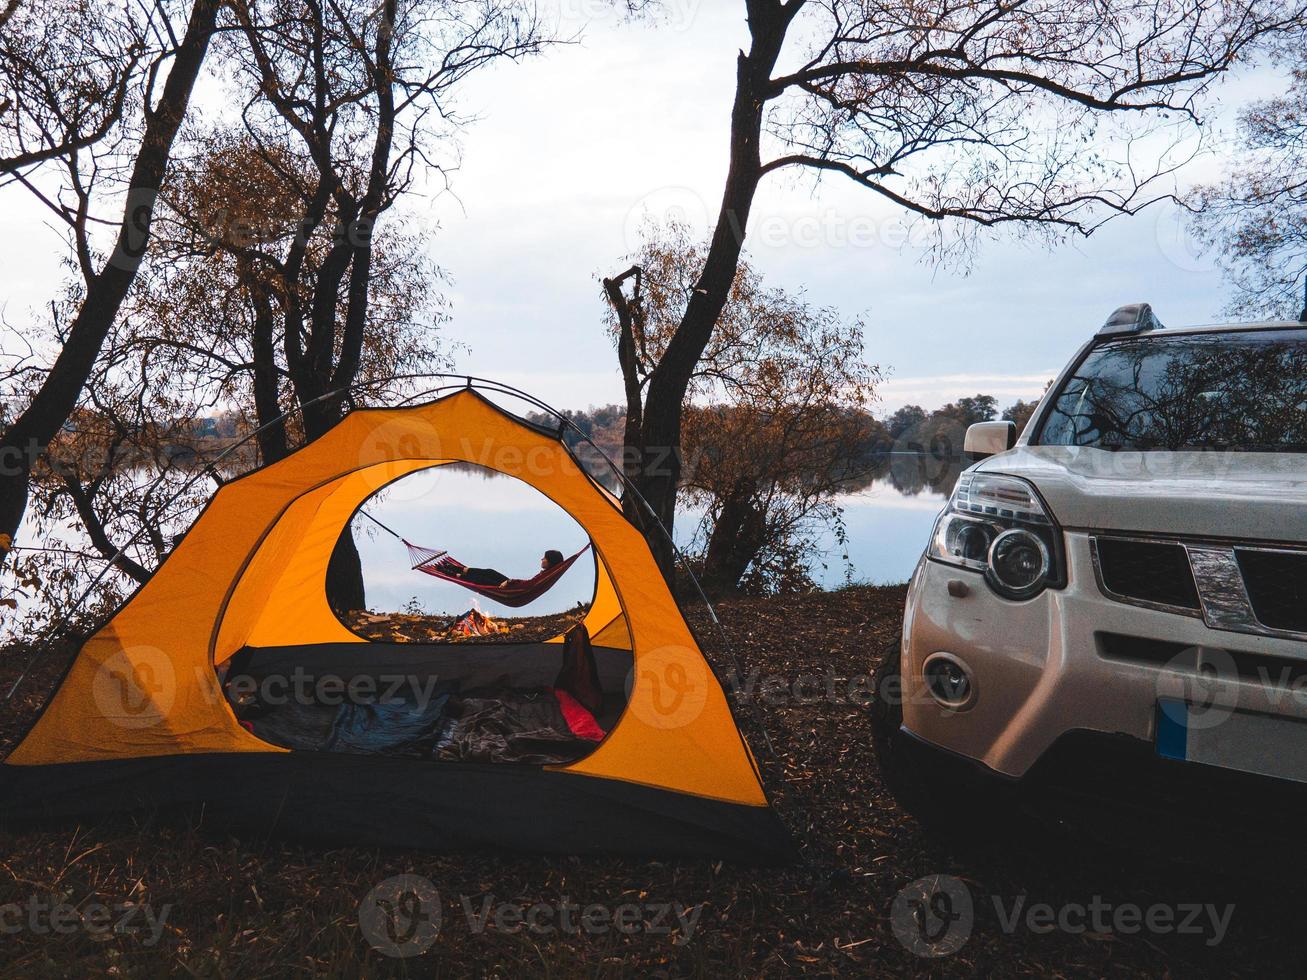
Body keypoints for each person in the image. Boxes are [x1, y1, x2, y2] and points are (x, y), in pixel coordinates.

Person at [438, 549, 564, 588]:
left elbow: (530, 585)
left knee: (480, 579)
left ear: (550, 561)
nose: (541, 559)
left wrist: (510, 582)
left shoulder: (545, 576)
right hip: (514, 587)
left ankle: (451, 573)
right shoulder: (547, 574)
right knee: (490, 572)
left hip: (511, 590)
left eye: (544, 558)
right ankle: (457, 568)